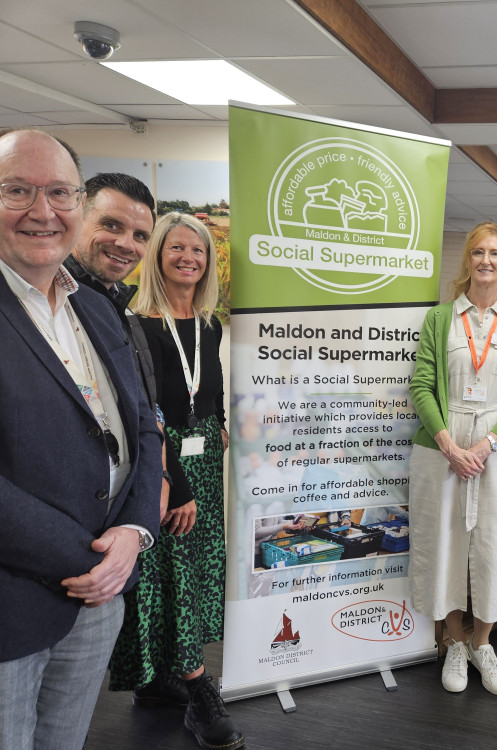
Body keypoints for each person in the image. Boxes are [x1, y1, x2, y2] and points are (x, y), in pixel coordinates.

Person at [0, 128, 161, 748]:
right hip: (14, 606)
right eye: (18, 190)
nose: (43, 211)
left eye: (60, 192)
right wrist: (93, 560)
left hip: (99, 601)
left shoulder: (93, 309)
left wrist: (135, 531)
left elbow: (142, 426)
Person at [109, 212, 243, 748]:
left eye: (199, 251)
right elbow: (147, 413)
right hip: (166, 466)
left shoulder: (208, 322)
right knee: (173, 573)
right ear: (157, 255)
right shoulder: (137, 324)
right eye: (177, 248)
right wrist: (177, 483)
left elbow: (208, 387)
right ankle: (198, 690)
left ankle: (163, 681)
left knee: (196, 567)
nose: (189, 258)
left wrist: (222, 422)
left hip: (207, 454)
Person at [409, 221, 497, 696]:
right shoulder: (441, 319)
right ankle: (454, 642)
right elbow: (421, 385)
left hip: (496, 450)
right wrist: (450, 445)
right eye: (478, 252)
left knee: (488, 547)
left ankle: (483, 643)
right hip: (442, 446)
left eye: (495, 254)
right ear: (468, 260)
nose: (486, 261)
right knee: (445, 545)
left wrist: (484, 446)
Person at [66, 172, 194, 528]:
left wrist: (163, 480)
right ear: (76, 216)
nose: (126, 244)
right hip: (73, 517)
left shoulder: (122, 311)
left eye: (140, 236)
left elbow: (146, 412)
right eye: (111, 225)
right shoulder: (50, 304)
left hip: (120, 512)